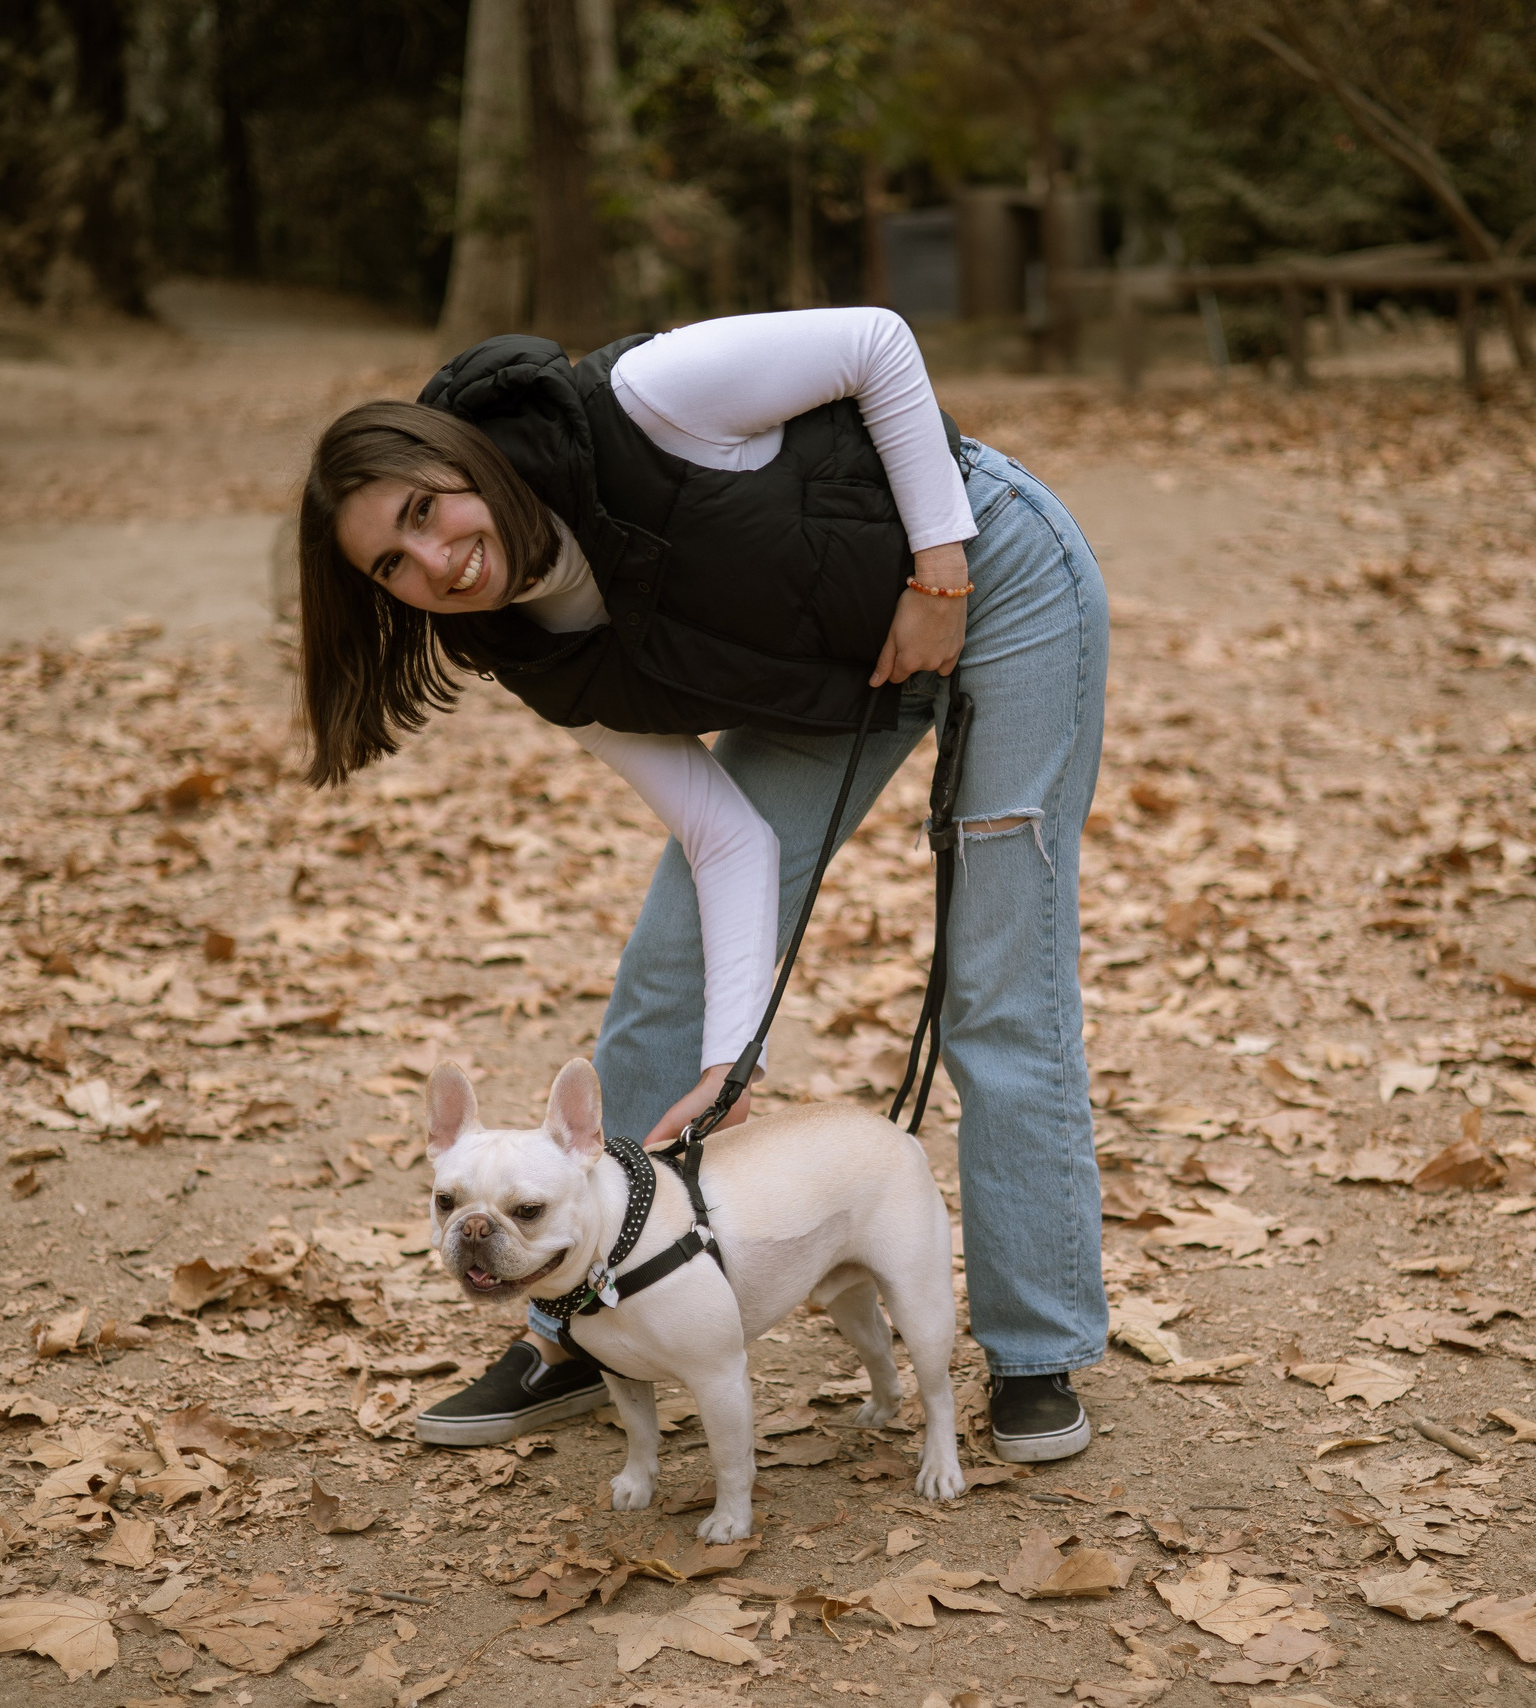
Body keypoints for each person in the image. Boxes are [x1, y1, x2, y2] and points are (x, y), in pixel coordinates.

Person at [294, 309, 1109, 1464]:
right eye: (393, 564)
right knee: (672, 961)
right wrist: (733, 1053)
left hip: (993, 580)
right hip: (837, 673)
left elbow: (878, 343)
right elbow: (725, 839)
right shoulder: (529, 645)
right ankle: (581, 1316)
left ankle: (1035, 1350)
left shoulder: (647, 399)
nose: (435, 561)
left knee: (998, 988)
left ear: (465, 460)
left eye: (427, 511)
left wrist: (939, 566)